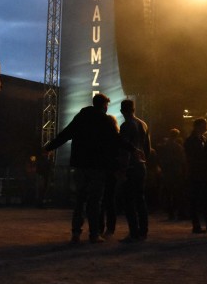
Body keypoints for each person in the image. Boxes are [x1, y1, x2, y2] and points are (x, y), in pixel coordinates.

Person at [44, 93, 139, 244]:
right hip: (97, 166)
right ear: (104, 105)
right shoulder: (104, 120)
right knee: (95, 201)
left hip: (80, 164)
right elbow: (116, 139)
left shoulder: (81, 117)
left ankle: (76, 233)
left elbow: (65, 134)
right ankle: (94, 234)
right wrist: (133, 149)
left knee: (80, 199)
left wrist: (49, 147)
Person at [118, 98, 154, 243]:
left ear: (122, 111)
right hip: (141, 166)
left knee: (128, 201)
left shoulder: (126, 125)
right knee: (140, 199)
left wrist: (122, 168)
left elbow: (125, 149)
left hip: (131, 166)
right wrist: (146, 162)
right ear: (134, 109)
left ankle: (133, 232)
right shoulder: (143, 124)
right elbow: (148, 148)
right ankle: (143, 231)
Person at [185, 117, 207, 234]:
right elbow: (192, 157)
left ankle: (202, 225)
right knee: (197, 200)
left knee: (203, 199)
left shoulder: (201, 139)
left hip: (201, 173)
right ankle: (197, 225)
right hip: (196, 173)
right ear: (198, 126)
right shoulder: (192, 140)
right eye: (204, 125)